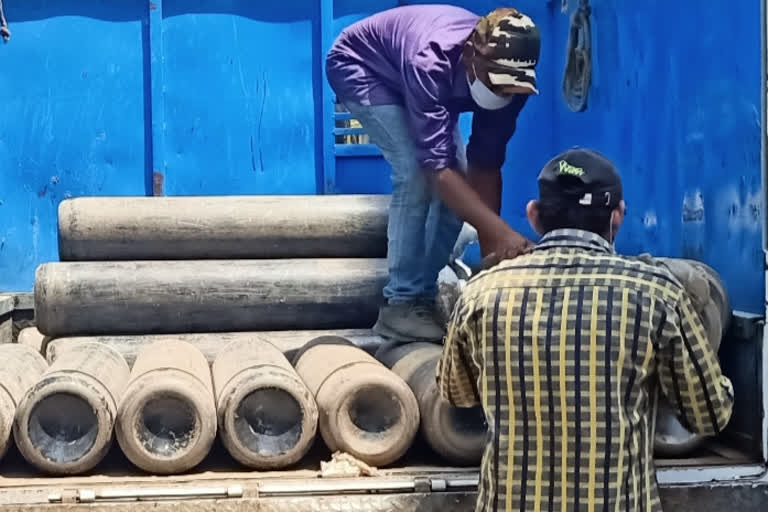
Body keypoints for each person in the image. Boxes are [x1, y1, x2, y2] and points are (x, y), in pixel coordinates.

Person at [437, 147, 734, 512]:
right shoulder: (656, 294)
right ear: (617, 217)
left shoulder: (481, 294)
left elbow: (456, 394)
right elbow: (709, 414)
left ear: (533, 215)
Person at [326, 5, 541, 342]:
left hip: (415, 73)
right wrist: (500, 231)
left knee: (462, 180)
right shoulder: (430, 61)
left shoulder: (515, 84)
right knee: (415, 171)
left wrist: (494, 265)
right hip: (363, 66)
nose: (501, 93)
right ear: (470, 55)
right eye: (494, 83)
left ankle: (421, 296)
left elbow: (486, 166)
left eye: (507, 87)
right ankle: (401, 304)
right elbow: (436, 171)